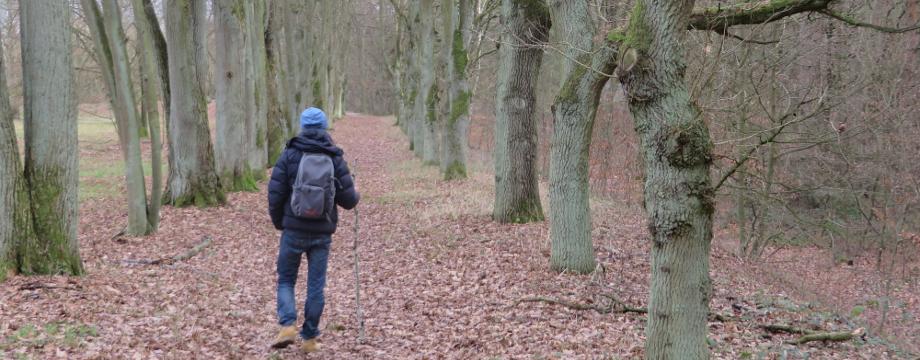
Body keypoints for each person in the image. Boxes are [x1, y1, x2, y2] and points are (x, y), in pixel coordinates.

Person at [267, 107, 360, 353]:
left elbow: (275, 194)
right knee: (315, 286)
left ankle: (287, 325)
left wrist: (280, 222)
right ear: (324, 127)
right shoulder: (334, 157)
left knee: (286, 279)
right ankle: (309, 339)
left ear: (303, 127)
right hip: (321, 234)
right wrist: (355, 189)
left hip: (293, 229)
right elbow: (349, 200)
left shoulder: (289, 155)